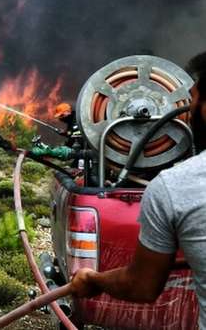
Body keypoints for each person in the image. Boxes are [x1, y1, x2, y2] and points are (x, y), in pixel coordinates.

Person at [71, 51, 206, 328]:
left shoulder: (174, 188)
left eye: (191, 100)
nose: (186, 111)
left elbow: (141, 285)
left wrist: (93, 279)